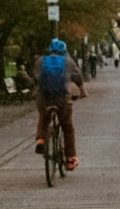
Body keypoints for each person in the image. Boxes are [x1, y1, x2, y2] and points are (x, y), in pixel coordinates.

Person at [33, 39, 86, 170]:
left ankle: (40, 139)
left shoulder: (40, 61)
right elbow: (78, 78)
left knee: (44, 118)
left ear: (49, 50)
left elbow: (35, 78)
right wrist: (82, 92)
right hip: (62, 98)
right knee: (67, 127)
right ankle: (70, 159)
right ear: (64, 51)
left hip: (44, 98)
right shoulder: (68, 62)